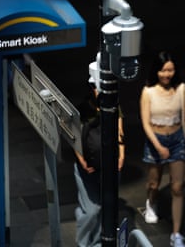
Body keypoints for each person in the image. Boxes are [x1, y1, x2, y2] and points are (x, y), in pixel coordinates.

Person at [140, 51, 185, 247]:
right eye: (163, 70)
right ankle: (151, 203)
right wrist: (158, 146)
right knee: (154, 183)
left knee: (177, 188)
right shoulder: (148, 92)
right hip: (156, 139)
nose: (167, 74)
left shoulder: (181, 89)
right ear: (157, 71)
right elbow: (145, 123)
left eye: (170, 70)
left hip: (177, 139)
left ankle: (176, 234)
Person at [73, 77, 125, 247]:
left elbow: (120, 132)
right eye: (98, 88)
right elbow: (75, 137)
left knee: (105, 207)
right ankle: (83, 243)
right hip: (87, 169)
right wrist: (82, 161)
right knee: (91, 210)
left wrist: (121, 156)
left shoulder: (114, 105)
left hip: (109, 167)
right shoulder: (84, 110)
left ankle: (96, 243)